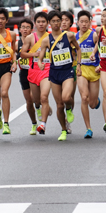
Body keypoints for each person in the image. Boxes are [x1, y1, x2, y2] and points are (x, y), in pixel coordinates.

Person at [38, 10, 81, 141]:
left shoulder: (69, 36)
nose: (56, 23)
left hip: (68, 71)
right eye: (53, 21)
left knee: (66, 97)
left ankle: (69, 109)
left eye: (58, 21)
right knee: (59, 105)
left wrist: (78, 64)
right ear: (49, 23)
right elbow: (40, 57)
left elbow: (78, 49)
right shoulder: (46, 40)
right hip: (54, 73)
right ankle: (63, 129)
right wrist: (40, 63)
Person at [20, 12, 52, 135]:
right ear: (35, 23)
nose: (41, 24)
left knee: (44, 97)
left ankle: (42, 124)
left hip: (47, 70)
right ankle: (45, 108)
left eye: (43, 22)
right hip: (33, 72)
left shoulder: (51, 37)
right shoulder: (30, 38)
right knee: (36, 101)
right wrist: (33, 54)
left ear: (47, 23)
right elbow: (22, 53)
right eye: (38, 22)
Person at [76, 10, 100, 138]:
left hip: (94, 70)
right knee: (84, 97)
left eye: (86, 21)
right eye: (82, 22)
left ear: (90, 22)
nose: (84, 24)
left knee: (92, 104)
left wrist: (100, 64)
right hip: (82, 70)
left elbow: (101, 48)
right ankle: (88, 129)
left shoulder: (94, 35)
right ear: (78, 22)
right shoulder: (74, 37)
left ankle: (96, 101)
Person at [16, 18, 39, 134]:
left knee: (35, 98)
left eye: (27, 27)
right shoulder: (17, 43)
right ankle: (34, 123)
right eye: (23, 27)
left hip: (35, 71)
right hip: (24, 73)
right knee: (29, 101)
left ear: (31, 29)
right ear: (19, 29)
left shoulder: (35, 40)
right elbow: (15, 57)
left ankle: (40, 107)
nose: (25, 30)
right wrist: (14, 64)